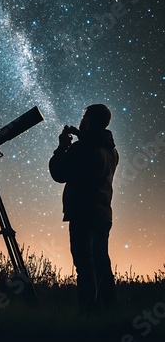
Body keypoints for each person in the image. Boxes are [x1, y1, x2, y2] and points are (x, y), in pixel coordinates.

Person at [49, 104, 119, 314]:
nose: (81, 121)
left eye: (84, 118)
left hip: (83, 212)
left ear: (88, 121)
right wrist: (81, 137)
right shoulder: (111, 150)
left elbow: (59, 173)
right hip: (103, 213)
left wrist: (62, 147)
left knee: (85, 265)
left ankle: (88, 312)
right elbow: (92, 154)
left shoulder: (81, 148)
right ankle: (108, 311)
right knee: (101, 263)